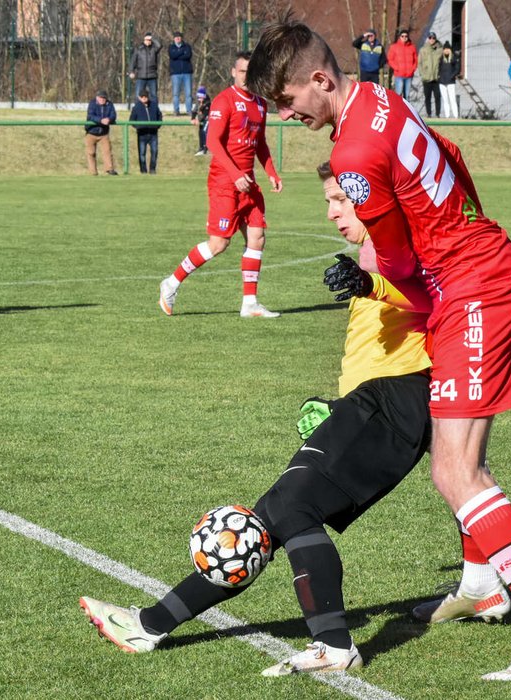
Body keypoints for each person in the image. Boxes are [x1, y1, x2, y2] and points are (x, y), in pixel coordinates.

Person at [245, 20, 511, 681]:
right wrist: (466, 230)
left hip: (472, 287)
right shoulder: (381, 95)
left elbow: (398, 257)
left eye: (289, 103)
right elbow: (450, 153)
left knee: (455, 471)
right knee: (451, 450)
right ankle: (483, 586)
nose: (287, 117)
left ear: (321, 80)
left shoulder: (351, 154)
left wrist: (385, 278)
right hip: (473, 272)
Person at [81, 162, 433, 675]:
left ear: (369, 195)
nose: (331, 212)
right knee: (263, 522)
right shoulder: (374, 245)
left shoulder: (398, 240)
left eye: (339, 199)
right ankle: (150, 624)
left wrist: (371, 285)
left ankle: (334, 646)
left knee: (292, 507)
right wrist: (342, 404)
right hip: (372, 402)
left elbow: (436, 297)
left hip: (394, 400)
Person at [158, 51, 283, 318]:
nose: (246, 77)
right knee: (218, 244)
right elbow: (213, 142)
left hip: (248, 183)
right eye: (242, 71)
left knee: (257, 236)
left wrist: (271, 171)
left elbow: (260, 143)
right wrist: (235, 173)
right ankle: (171, 282)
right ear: (233, 72)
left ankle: (250, 304)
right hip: (225, 182)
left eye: (251, 72)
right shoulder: (224, 101)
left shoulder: (260, 104)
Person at [84, 89, 118, 176]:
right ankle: (93, 172)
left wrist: (109, 119)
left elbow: (113, 115)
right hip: (91, 132)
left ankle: (109, 169)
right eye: (100, 97)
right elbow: (90, 116)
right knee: (91, 153)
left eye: (104, 98)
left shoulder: (110, 104)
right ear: (97, 97)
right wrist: (101, 120)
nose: (102, 99)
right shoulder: (92, 104)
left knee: (107, 151)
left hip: (104, 133)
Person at [129, 89, 162, 174]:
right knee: (142, 153)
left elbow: (159, 116)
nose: (144, 98)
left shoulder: (154, 105)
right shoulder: (136, 107)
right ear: (139, 97)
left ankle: (152, 169)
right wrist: (138, 127)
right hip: (142, 134)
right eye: (142, 97)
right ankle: (143, 170)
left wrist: (157, 126)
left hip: (153, 133)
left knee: (154, 152)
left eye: (145, 96)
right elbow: (131, 120)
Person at [128, 32, 162, 101]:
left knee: (153, 95)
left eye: (149, 40)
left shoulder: (154, 49)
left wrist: (152, 38)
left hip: (152, 76)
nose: (148, 41)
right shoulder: (138, 49)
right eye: (147, 39)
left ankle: (154, 110)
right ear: (144, 40)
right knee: (138, 94)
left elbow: (159, 45)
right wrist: (131, 71)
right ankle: (138, 110)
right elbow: (133, 61)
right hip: (141, 76)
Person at [418, 31, 442, 118]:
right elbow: (419, 63)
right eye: (430, 38)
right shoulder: (423, 49)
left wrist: (440, 74)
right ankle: (429, 113)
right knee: (427, 97)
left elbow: (443, 62)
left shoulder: (440, 50)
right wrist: (422, 74)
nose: (432, 39)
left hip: (436, 78)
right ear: (428, 39)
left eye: (433, 38)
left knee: (437, 96)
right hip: (426, 78)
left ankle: (438, 114)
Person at [387, 28, 417, 100]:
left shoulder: (412, 47)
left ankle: (407, 111)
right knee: (398, 95)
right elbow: (390, 59)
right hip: (399, 75)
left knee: (407, 96)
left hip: (409, 75)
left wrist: (412, 69)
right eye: (402, 36)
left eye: (406, 36)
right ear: (400, 37)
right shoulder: (394, 47)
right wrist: (397, 68)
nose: (404, 38)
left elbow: (416, 60)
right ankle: (398, 111)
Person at [168, 31, 193, 116]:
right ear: (174, 38)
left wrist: (178, 54)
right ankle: (176, 110)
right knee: (175, 94)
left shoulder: (187, 46)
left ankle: (189, 111)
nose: (178, 38)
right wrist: (182, 52)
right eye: (176, 37)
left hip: (187, 73)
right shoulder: (171, 47)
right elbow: (172, 56)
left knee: (188, 93)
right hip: (175, 74)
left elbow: (188, 55)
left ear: (181, 38)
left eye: (179, 37)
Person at [438, 42, 460, 119]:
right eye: (445, 49)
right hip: (442, 82)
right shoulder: (441, 59)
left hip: (451, 82)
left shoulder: (454, 58)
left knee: (452, 99)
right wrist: (439, 77)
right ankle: (447, 116)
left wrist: (452, 76)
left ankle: (455, 116)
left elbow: (457, 69)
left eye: (448, 49)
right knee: (445, 99)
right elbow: (438, 69)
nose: (446, 51)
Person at [190, 85, 211, 156]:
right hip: (202, 120)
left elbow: (205, 114)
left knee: (204, 132)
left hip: (207, 120)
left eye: (201, 97)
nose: (200, 99)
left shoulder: (207, 103)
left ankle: (205, 148)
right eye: (199, 97)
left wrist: (198, 120)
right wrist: (193, 118)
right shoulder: (198, 102)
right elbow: (194, 110)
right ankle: (201, 147)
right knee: (200, 132)